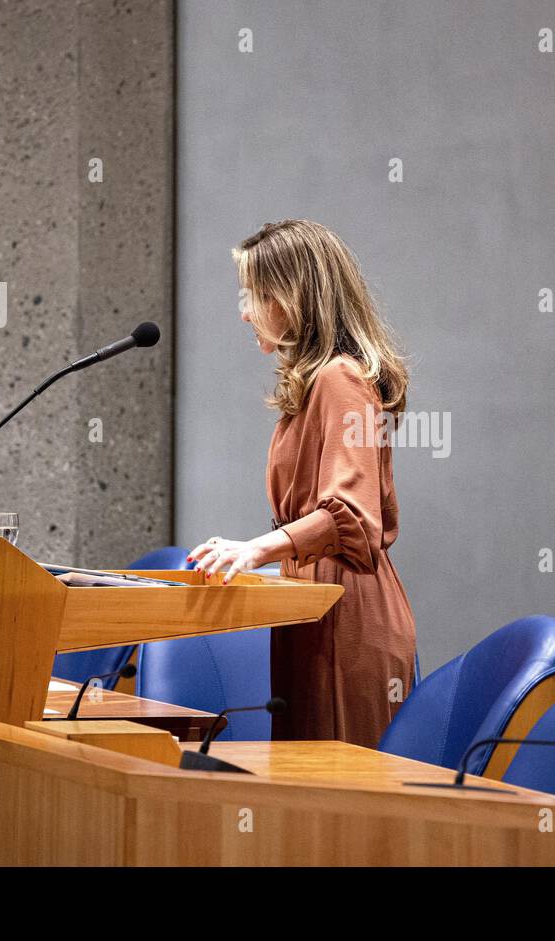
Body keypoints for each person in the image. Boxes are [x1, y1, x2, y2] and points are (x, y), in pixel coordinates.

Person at [189, 219, 417, 748]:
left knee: (340, 802)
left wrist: (256, 549)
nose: (244, 312)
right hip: (315, 604)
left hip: (346, 616)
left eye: (255, 295)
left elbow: (353, 514)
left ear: (293, 298)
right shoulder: (318, 383)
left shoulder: (340, 379)